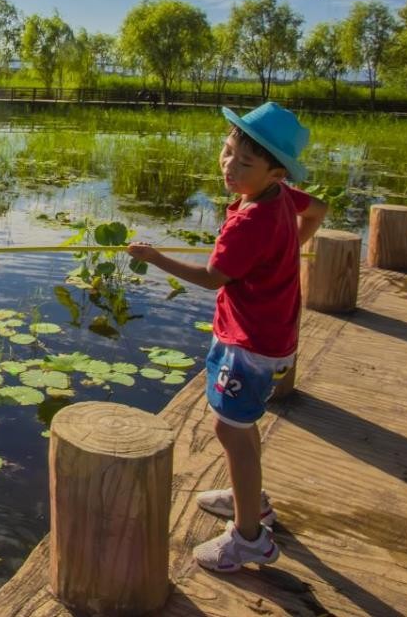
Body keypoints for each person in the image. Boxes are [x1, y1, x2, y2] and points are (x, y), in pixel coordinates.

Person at [127, 101, 325, 573]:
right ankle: (250, 500)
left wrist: (154, 258)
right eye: (227, 152)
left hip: (249, 341)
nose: (230, 167)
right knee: (239, 423)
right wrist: (288, 249)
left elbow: (215, 277)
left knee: (228, 428)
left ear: (276, 172)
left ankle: (250, 539)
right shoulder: (279, 199)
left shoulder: (250, 219)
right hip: (269, 333)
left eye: (245, 162)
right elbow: (320, 209)